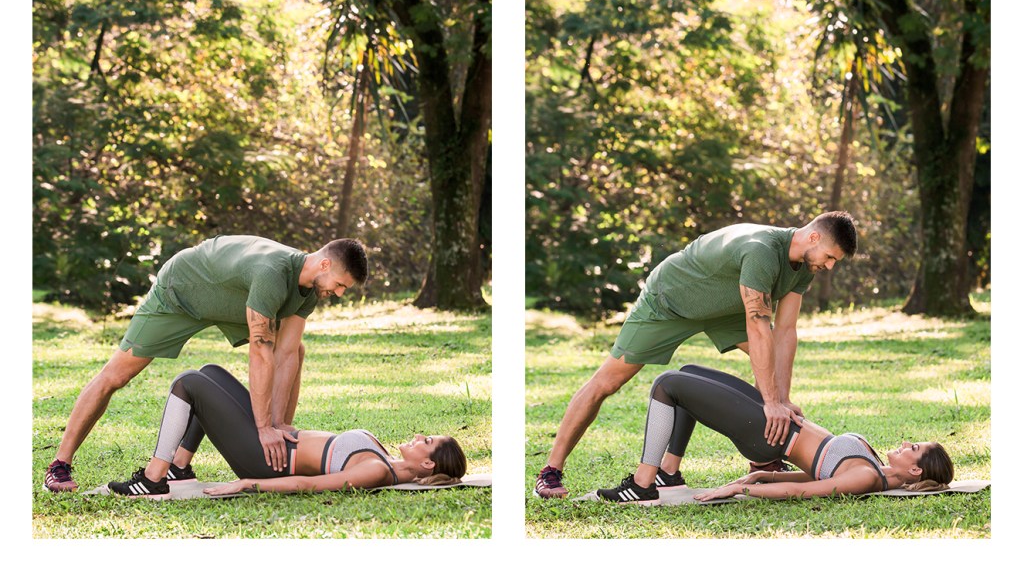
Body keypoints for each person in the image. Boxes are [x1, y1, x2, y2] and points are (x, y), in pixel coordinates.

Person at [535, 212, 858, 498]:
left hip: (726, 308)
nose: (828, 266)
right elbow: (758, 324)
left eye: (834, 261)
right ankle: (550, 471)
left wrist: (783, 399)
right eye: (829, 256)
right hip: (671, 301)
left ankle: (690, 470)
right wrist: (770, 402)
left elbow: (785, 332)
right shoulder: (762, 250)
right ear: (813, 236)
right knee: (605, 383)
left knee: (771, 372)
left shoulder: (803, 266)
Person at [44, 235, 369, 492]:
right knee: (114, 377)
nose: (339, 293)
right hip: (182, 292)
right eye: (340, 284)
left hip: (230, 300)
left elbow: (286, 354)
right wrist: (262, 428)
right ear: (325, 263)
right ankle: (59, 465)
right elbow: (261, 352)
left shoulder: (309, 289)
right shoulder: (273, 273)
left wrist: (280, 425)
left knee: (295, 350)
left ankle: (178, 466)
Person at [596, 364, 953, 504]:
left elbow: (802, 490)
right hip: (779, 421)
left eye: (914, 447)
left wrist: (742, 487)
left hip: (768, 435)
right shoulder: (874, 468)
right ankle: (668, 475)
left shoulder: (865, 477)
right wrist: (766, 474)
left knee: (667, 385)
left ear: (917, 470)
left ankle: (642, 485)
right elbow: (818, 471)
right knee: (687, 373)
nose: (907, 443)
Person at [106, 364, 467, 497]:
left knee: (188, 383)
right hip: (275, 441)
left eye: (427, 442)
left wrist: (248, 483)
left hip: (265, 462)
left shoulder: (375, 471)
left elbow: (308, 484)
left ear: (428, 466)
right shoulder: (382, 454)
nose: (420, 436)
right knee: (211, 372)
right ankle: (179, 467)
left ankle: (154, 479)